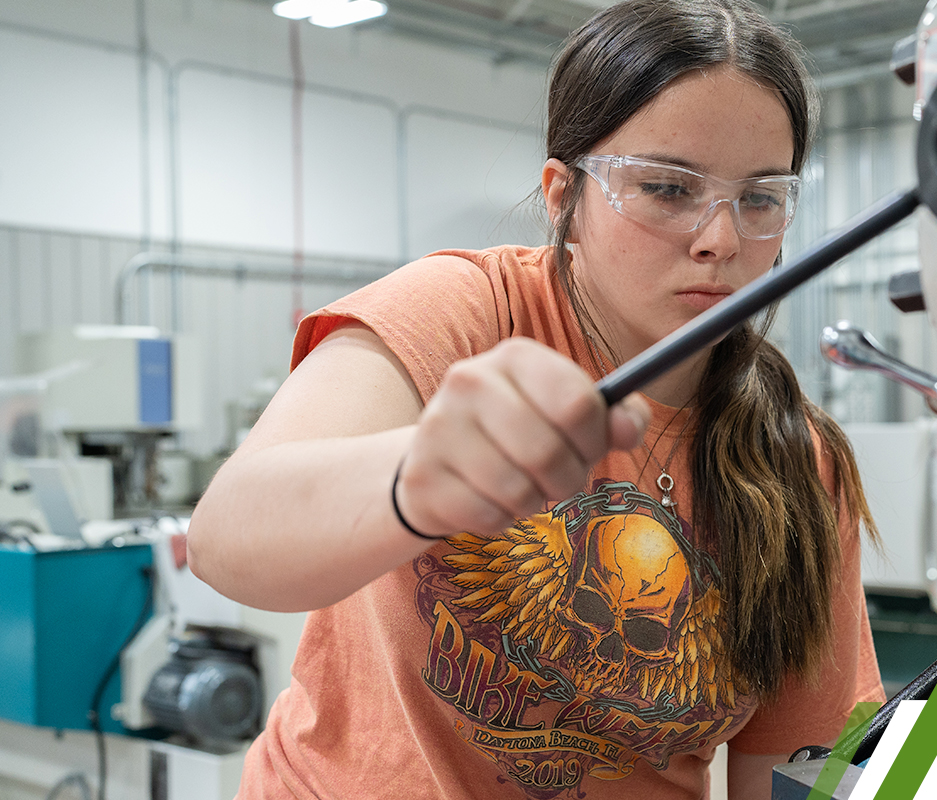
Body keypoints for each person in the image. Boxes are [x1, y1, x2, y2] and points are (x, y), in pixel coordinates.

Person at [189, 1, 884, 797]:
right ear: (562, 195)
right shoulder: (465, 313)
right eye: (666, 188)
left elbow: (801, 771)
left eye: (759, 199)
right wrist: (416, 479)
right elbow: (228, 539)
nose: (720, 239)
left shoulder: (797, 461)